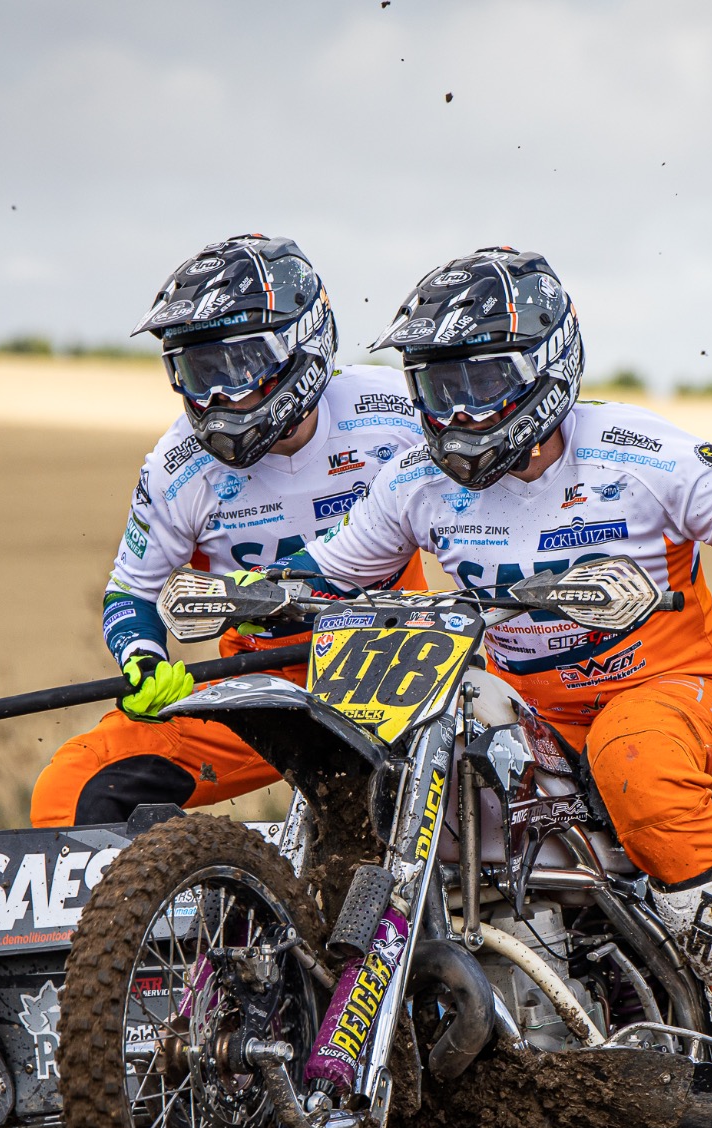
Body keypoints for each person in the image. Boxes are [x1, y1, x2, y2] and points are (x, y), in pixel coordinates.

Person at [264, 246, 712, 1098]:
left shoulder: (641, 454)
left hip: (681, 693)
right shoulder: (415, 480)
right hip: (532, 716)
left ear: (546, 367)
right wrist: (248, 595)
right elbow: (326, 574)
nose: (456, 410)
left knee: (634, 754)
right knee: (385, 758)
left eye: (480, 382)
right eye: (437, 387)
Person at [27, 234, 427, 827]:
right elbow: (131, 590)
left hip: (399, 663)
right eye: (196, 370)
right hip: (258, 684)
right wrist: (142, 658)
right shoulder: (177, 467)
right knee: (71, 790)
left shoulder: (394, 412)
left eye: (236, 366)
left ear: (301, 344)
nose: (215, 393)